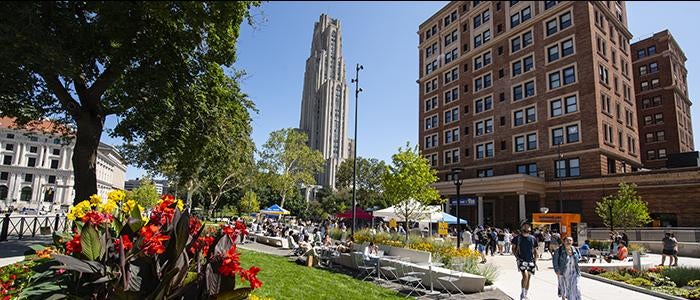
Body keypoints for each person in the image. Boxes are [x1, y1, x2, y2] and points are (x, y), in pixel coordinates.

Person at [513, 220, 538, 300]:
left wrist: (536, 257)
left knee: (529, 277)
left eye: (528, 226)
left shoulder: (533, 238)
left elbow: (535, 249)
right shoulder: (518, 238)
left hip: (531, 260)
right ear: (522, 227)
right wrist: (516, 257)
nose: (527, 227)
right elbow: (513, 248)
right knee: (525, 276)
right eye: (525, 226)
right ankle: (522, 294)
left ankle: (525, 294)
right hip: (521, 259)